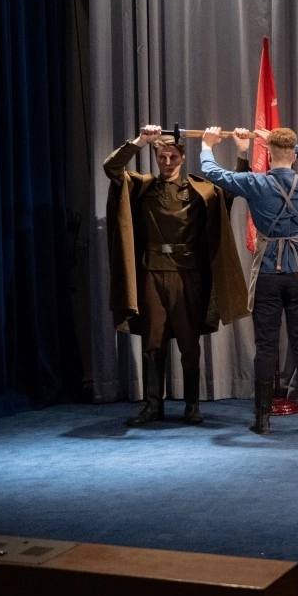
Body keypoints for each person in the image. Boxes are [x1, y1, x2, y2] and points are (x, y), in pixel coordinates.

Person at [104, 124, 249, 427]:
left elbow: (234, 188)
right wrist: (140, 141)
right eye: (162, 157)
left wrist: (242, 154)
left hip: (188, 275)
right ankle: (152, 405)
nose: (167, 162)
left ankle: (192, 405)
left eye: (173, 157)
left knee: (188, 342)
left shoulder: (201, 191)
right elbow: (111, 167)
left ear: (183, 158)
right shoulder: (142, 187)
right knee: (152, 342)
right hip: (152, 273)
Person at [200, 126, 298, 434]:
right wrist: (274, 139)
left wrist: (207, 145)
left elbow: (212, 172)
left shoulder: (256, 183)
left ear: (269, 155)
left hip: (269, 274)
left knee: (266, 346)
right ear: (294, 155)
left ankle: (262, 419)